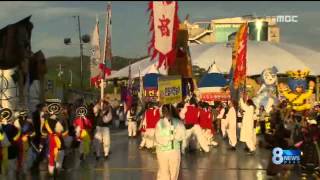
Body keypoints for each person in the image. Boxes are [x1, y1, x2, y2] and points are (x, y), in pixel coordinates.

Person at [155, 104, 186, 180]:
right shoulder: (159, 123)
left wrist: (175, 134)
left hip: (174, 151)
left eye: (168, 111)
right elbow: (158, 137)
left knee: (174, 172)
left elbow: (182, 135)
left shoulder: (178, 122)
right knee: (164, 173)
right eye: (164, 111)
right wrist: (169, 137)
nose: (166, 113)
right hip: (162, 152)